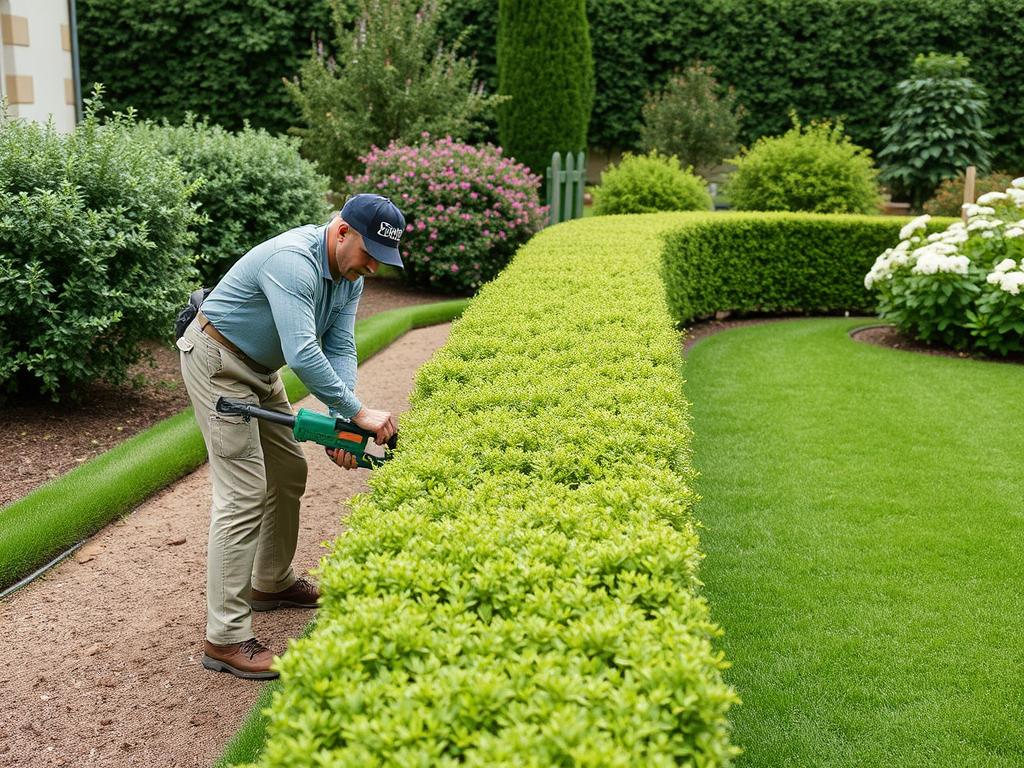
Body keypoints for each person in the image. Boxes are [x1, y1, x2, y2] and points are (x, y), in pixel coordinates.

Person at [175, 194, 405, 680]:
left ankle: (271, 582)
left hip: (261, 370)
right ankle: (225, 637)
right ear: (342, 232)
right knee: (243, 493)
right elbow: (302, 353)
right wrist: (360, 412)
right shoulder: (293, 261)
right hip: (218, 361)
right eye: (370, 254)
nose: (373, 268)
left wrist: (344, 423)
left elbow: (339, 345)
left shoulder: (349, 277)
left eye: (382, 260)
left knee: (288, 471)